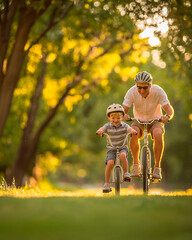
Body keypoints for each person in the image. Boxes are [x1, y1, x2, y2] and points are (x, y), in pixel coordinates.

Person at [122, 71, 174, 180]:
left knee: (158, 133)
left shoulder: (158, 91)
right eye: (139, 87)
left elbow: (169, 110)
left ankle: (157, 168)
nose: (141, 91)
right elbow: (122, 111)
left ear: (150, 85)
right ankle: (136, 164)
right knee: (133, 132)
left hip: (155, 120)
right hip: (138, 121)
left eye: (144, 88)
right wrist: (124, 115)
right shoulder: (131, 92)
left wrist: (167, 117)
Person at [96, 103, 137, 193]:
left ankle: (126, 173)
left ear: (122, 117)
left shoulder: (124, 125)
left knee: (123, 155)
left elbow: (129, 129)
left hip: (122, 147)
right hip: (112, 149)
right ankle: (107, 184)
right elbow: (102, 129)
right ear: (109, 117)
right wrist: (100, 131)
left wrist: (132, 131)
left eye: (118, 118)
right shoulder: (107, 126)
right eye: (113, 118)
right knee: (110, 163)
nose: (115, 120)